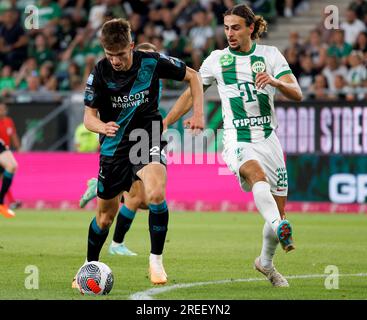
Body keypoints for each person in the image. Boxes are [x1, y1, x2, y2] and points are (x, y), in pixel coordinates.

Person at [163, 4, 302, 287]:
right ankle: (280, 227)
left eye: (236, 27)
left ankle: (265, 262)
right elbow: (193, 93)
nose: (230, 33)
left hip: (269, 140)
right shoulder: (216, 60)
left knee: (278, 209)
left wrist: (274, 81)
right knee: (255, 176)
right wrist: (165, 122)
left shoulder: (270, 55)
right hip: (236, 137)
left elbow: (297, 93)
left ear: (251, 28)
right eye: (226, 28)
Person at [72, 18, 204, 288]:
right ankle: (87, 266)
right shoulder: (99, 73)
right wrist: (102, 126)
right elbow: (88, 118)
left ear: (131, 46)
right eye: (110, 55)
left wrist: (198, 113)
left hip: (147, 137)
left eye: (120, 55)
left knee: (155, 193)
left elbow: (194, 76)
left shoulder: (151, 61)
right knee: (105, 217)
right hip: (113, 148)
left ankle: (156, 261)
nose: (116, 61)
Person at [79, 43, 162, 258]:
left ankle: (116, 240)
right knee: (135, 200)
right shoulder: (120, 76)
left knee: (143, 200)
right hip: (123, 146)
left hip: (143, 138)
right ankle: (116, 243)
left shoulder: (153, 75)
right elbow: (91, 115)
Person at [0, 100, 21, 211]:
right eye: (1, 109)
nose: (3, 111)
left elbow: (13, 135)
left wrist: (18, 147)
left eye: (4, 109)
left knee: (10, 168)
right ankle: (9, 201)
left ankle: (5, 201)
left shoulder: (8, 121)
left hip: (4, 150)